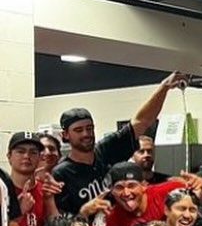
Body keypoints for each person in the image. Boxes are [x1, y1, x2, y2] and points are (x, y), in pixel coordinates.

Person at [52, 71, 188, 215]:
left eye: (89, 128)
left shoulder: (106, 150)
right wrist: (84, 212)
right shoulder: (61, 173)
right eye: (78, 130)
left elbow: (142, 121)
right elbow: (59, 221)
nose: (86, 134)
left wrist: (164, 87)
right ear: (65, 135)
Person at [89, 161, 187, 226]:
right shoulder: (111, 216)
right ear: (112, 191)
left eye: (131, 186)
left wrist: (193, 182)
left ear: (144, 186)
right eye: (119, 187)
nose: (126, 193)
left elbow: (193, 191)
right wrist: (84, 213)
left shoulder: (168, 191)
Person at [6, 131, 56, 226]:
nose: (27, 156)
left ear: (39, 158)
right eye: (21, 151)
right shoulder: (2, 190)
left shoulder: (45, 189)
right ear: (9, 156)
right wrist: (17, 212)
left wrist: (49, 200)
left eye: (33, 152)